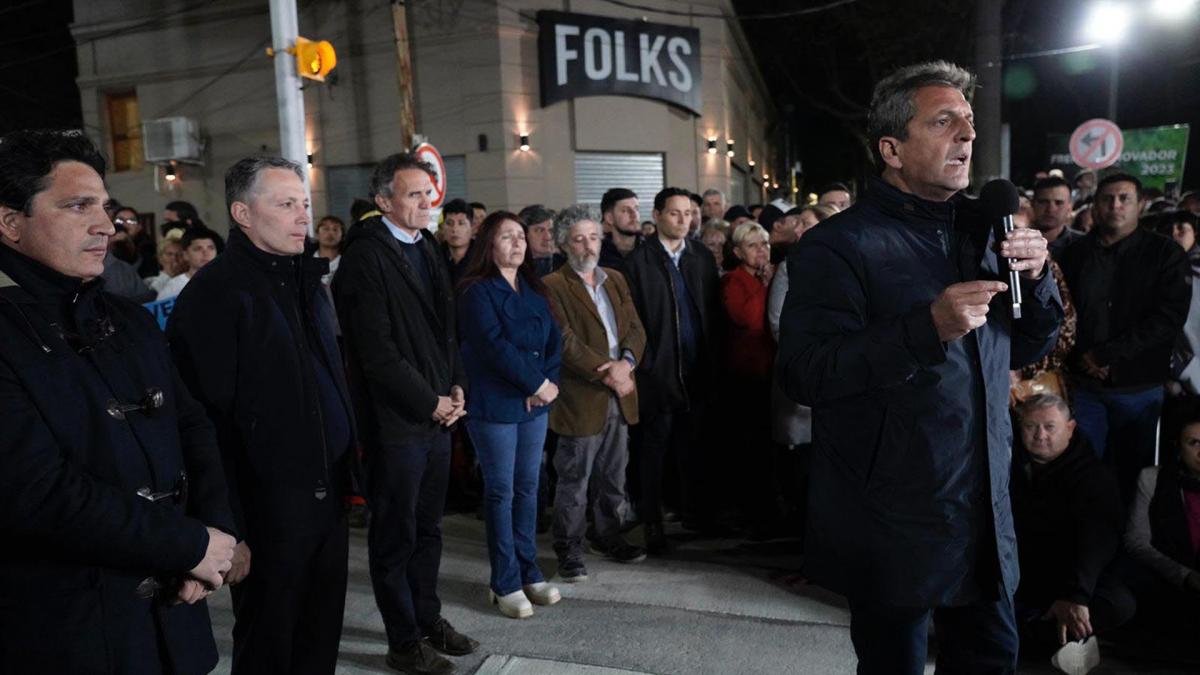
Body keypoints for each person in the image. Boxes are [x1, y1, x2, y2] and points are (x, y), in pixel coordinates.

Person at [776, 61, 1063, 673]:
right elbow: (807, 373)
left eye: (968, 121)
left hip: (983, 512)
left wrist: (1037, 280)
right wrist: (924, 328)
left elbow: (1025, 346)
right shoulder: (837, 246)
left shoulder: (986, 230)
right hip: (893, 521)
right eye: (943, 121)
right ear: (893, 149)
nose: (967, 134)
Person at [0, 129, 237, 673]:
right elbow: (36, 492)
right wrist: (186, 543)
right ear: (11, 222)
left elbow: (193, 426)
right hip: (67, 631)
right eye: (78, 206)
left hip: (175, 614)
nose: (105, 225)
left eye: (104, 207)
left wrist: (213, 538)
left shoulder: (126, 319)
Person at [167, 157, 356, 675]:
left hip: (326, 498)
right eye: (285, 204)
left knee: (318, 641)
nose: (303, 217)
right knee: (270, 646)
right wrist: (230, 529)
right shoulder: (215, 295)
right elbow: (205, 424)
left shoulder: (305, 283)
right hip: (267, 512)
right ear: (242, 213)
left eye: (304, 204)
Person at [333, 152, 478, 674]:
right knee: (395, 534)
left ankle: (426, 617)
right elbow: (376, 353)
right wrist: (430, 401)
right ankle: (402, 640)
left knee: (429, 529)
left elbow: (447, 331)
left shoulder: (429, 249)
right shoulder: (365, 258)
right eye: (414, 193)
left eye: (429, 192)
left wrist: (457, 387)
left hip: (439, 415)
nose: (427, 202)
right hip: (398, 423)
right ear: (383, 201)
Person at [1058, 173, 1191, 504]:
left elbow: (1168, 318)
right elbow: (1061, 312)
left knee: (1135, 476)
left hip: (1139, 387)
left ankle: (1134, 543)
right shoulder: (1074, 254)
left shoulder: (1165, 254)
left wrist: (1106, 355)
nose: (1115, 205)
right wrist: (1083, 358)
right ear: (1096, 206)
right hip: (1084, 385)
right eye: (1107, 198)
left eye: (1124, 198)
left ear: (1140, 204)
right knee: (1083, 471)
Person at [457, 211, 563, 618]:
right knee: (500, 492)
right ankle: (504, 581)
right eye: (506, 237)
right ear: (489, 244)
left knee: (529, 488)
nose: (517, 243)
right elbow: (491, 346)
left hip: (535, 404)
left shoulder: (533, 290)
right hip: (496, 404)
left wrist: (547, 384)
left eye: (520, 236)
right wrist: (536, 385)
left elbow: (554, 341)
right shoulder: (476, 291)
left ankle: (529, 570)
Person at [543, 205, 647, 582]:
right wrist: (611, 374)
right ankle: (568, 547)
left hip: (622, 391)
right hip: (582, 396)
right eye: (578, 239)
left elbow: (635, 327)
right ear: (562, 244)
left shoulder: (615, 279)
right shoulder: (553, 286)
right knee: (574, 478)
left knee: (614, 473)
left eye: (592, 237)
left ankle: (608, 535)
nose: (587, 245)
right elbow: (565, 342)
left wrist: (628, 364)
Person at [624, 187, 721, 553]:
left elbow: (711, 311)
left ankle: (695, 513)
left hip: (697, 369)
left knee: (695, 447)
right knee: (654, 451)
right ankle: (651, 522)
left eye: (688, 214)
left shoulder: (700, 256)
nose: (684, 220)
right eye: (675, 213)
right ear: (658, 215)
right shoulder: (639, 262)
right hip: (658, 374)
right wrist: (646, 366)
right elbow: (632, 323)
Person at [1011, 394, 1134, 672]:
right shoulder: (1007, 465)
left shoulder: (1093, 477)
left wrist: (1075, 595)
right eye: (1031, 426)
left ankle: (1041, 634)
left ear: (1070, 428)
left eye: (1050, 426)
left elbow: (1097, 542)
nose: (1040, 435)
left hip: (1069, 575)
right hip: (1018, 572)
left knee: (1118, 602)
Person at [1124, 412, 1200, 659]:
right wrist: (1185, 575)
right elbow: (1136, 542)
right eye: (1193, 443)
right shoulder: (1152, 479)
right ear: (1178, 447)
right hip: (1170, 577)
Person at [721, 222, 780, 533]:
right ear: (738, 252)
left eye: (765, 244)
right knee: (750, 445)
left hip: (771, 370)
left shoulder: (769, 278)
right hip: (746, 373)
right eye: (754, 245)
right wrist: (764, 284)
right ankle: (751, 513)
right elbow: (750, 320)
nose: (762, 251)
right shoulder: (734, 281)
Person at [157, 226, 222, 300]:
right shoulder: (173, 288)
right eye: (198, 249)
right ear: (185, 255)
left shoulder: (226, 281)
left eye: (211, 248)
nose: (206, 253)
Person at [1031, 176, 1083, 261]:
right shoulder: (1017, 243)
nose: (1050, 209)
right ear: (1032, 204)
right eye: (1043, 202)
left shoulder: (1085, 245)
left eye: (1059, 203)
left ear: (1070, 207)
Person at [598, 187, 641, 273]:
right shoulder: (597, 254)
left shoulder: (651, 250)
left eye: (636, 209)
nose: (634, 215)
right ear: (609, 218)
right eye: (625, 210)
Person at [111, 205, 159, 277]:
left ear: (139, 227)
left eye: (131, 221)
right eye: (119, 220)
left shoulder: (147, 247)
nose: (125, 224)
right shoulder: (103, 243)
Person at [439, 198, 473, 284]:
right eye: (449, 223)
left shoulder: (483, 256)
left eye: (461, 223)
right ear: (442, 228)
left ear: (472, 227)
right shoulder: (434, 256)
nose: (454, 229)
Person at [519, 203, 559, 276]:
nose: (548, 237)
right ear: (523, 235)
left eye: (551, 230)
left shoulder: (569, 264)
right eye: (539, 230)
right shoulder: (514, 269)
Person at [314, 214, 344, 286]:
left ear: (342, 236)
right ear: (317, 234)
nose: (330, 233)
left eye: (335, 229)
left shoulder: (347, 263)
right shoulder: (306, 261)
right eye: (326, 229)